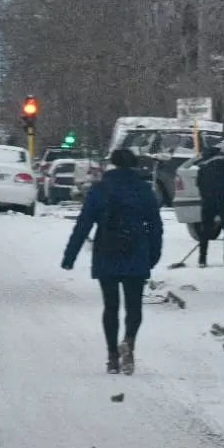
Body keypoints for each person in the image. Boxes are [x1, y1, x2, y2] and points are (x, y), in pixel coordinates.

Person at [61, 148, 163, 375]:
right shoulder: (143, 190)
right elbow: (155, 225)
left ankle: (112, 357)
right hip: (136, 252)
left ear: (113, 164)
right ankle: (129, 341)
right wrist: (153, 254)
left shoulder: (100, 190)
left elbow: (84, 224)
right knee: (134, 305)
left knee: (111, 306)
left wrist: (70, 255)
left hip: (106, 252)